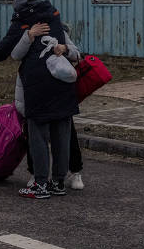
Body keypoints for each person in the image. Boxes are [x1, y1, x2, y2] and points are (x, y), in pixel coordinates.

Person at [0, 0, 79, 199]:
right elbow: (75, 52)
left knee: (38, 137)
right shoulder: (55, 19)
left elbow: (8, 55)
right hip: (63, 86)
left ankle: (40, 184)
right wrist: (63, 48)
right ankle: (58, 183)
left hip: (38, 87)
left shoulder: (22, 22)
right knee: (61, 136)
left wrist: (29, 36)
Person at [7, 21, 85, 191]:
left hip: (58, 95)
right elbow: (16, 54)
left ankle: (51, 182)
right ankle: (40, 177)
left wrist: (64, 48)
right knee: (36, 138)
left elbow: (77, 55)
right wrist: (29, 35)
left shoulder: (58, 30)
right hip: (37, 95)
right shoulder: (27, 30)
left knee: (60, 139)